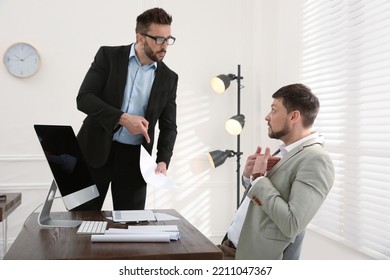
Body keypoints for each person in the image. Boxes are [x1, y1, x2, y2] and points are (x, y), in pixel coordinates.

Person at [75, 7, 178, 210]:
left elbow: (169, 126)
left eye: (168, 39)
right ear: (139, 37)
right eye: (158, 39)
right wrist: (122, 118)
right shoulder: (108, 56)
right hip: (93, 151)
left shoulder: (169, 78)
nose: (164, 46)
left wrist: (163, 160)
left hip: (135, 162)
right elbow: (84, 98)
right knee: (80, 222)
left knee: (131, 229)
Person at [219, 83, 335, 259]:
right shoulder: (286, 151)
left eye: (273, 110)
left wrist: (258, 178)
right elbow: (261, 199)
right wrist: (249, 177)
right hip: (230, 248)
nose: (267, 117)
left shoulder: (317, 160)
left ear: (294, 116)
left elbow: (292, 223)